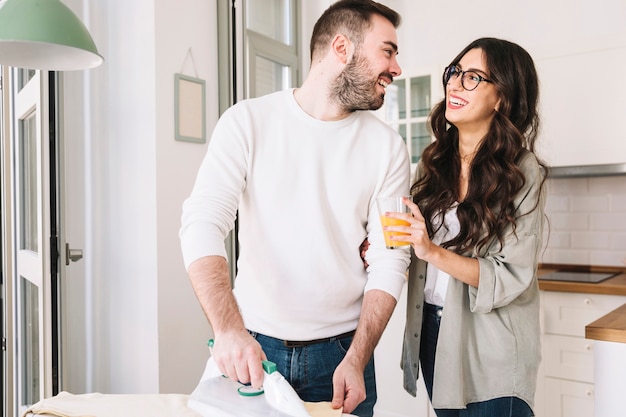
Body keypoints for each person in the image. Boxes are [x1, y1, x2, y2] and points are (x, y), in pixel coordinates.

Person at [179, 1, 410, 416]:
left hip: (342, 357)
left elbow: (390, 260)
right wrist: (228, 330)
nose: (396, 68)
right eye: (388, 51)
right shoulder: (246, 122)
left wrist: (357, 358)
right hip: (252, 351)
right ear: (342, 48)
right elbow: (201, 224)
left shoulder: (388, 149)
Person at [384, 38, 547, 416]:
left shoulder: (523, 171)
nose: (454, 84)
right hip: (431, 335)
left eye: (473, 77)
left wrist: (430, 251)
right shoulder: (432, 164)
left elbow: (508, 275)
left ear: (501, 98)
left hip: (492, 345)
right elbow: (419, 249)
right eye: (455, 72)